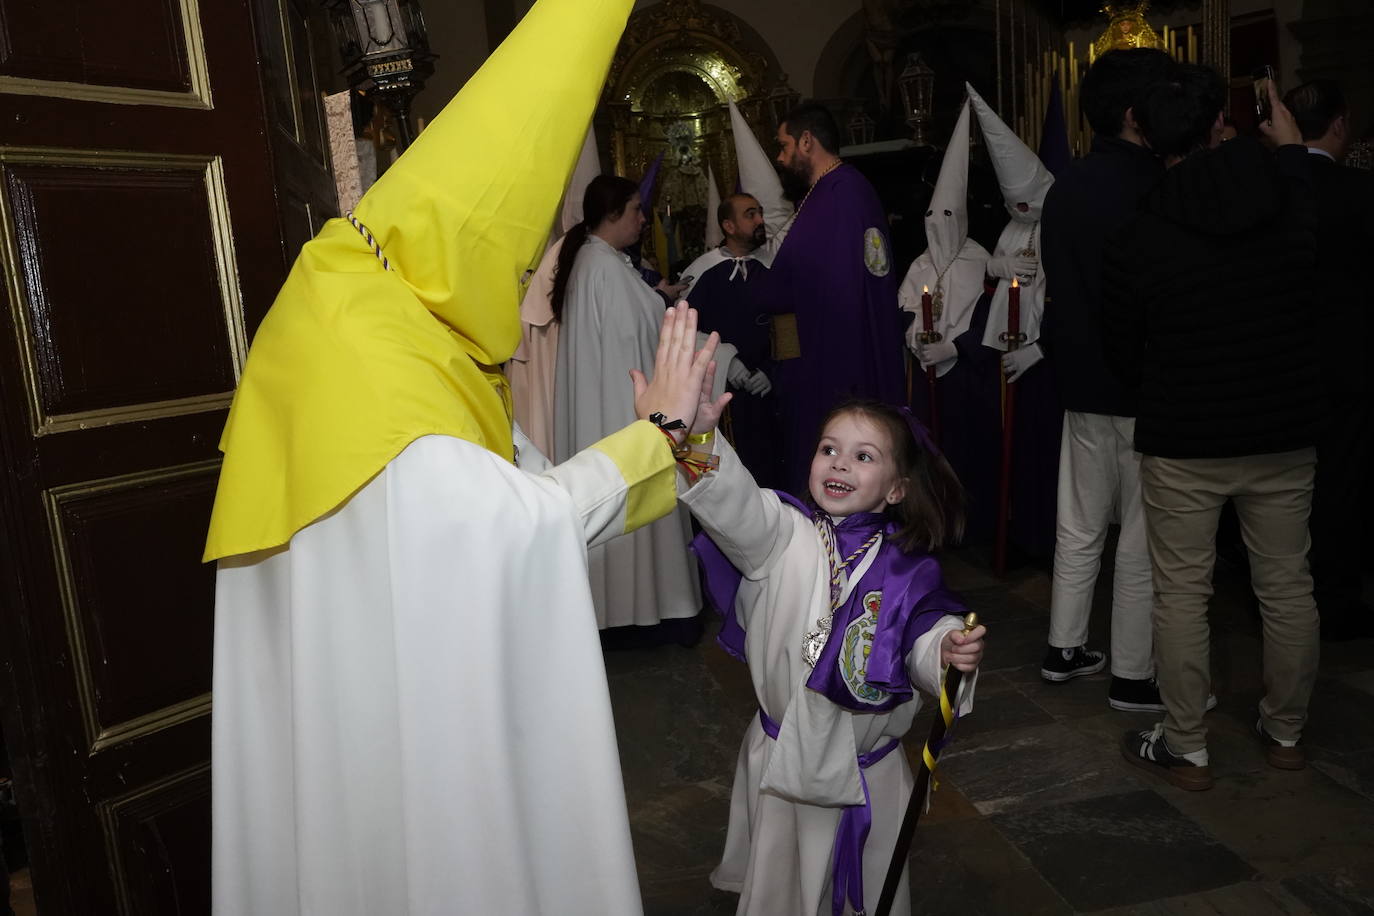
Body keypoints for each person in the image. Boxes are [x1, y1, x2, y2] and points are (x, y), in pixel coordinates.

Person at [204, 0, 726, 912]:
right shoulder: (377, 351)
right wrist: (661, 438)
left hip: (345, 708)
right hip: (404, 737)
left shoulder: (358, 300)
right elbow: (516, 529)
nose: (524, 291)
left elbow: (511, 478)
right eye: (518, 264)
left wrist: (667, 448)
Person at [1106, 69, 1322, 789]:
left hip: (1186, 432)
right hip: (1280, 424)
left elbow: (1125, 340)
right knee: (1286, 586)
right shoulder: (1283, 190)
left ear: (1144, 133)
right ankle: (1286, 731)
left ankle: (1188, 743)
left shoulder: (1142, 225)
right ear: (1218, 126)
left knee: (1182, 594)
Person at [688, 399, 985, 916]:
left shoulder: (907, 570)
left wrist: (945, 649)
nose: (840, 463)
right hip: (785, 764)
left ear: (896, 489)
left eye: (863, 456)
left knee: (867, 888)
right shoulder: (780, 535)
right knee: (778, 886)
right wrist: (701, 439)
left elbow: (921, 635)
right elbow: (735, 504)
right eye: (829, 449)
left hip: (865, 771)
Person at [1038, 48, 1173, 709]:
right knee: (1144, 535)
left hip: (1082, 380)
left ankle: (1064, 646)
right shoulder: (1157, 184)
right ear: (1134, 113)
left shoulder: (1066, 188)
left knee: (1081, 521)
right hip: (1146, 384)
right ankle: (1133, 672)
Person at [552, 174, 737, 639]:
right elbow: (629, 347)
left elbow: (634, 329)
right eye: (635, 209)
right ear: (611, 214)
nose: (642, 218)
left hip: (616, 409)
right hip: (622, 412)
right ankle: (645, 612)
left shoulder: (603, 262)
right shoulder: (601, 267)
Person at [763, 102, 907, 490]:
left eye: (784, 144)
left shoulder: (845, 194)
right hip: (808, 360)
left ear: (807, 141)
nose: (780, 156)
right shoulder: (823, 194)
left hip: (832, 365)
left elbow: (845, 295)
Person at [1283, 79, 1374, 641]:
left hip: (1281, 362)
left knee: (1284, 487)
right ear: (1339, 123)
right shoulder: (1361, 192)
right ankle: (1334, 597)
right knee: (1342, 481)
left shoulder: (1271, 188)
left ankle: (1284, 590)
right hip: (1349, 363)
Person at [966, 81, 1061, 560]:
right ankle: (1015, 532)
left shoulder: (1061, 225)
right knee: (1010, 446)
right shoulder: (1011, 226)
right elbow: (995, 274)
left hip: (1043, 354)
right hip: (1003, 346)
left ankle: (1043, 539)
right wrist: (995, 267)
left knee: (1043, 448)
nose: (1020, 210)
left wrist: (1039, 345)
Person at [897, 97, 994, 535]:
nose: (939, 223)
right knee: (925, 452)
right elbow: (902, 312)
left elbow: (993, 321)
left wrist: (953, 346)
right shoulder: (919, 264)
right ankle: (931, 523)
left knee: (967, 449)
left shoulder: (980, 260)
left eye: (948, 215)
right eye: (932, 216)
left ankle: (970, 526)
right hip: (924, 379)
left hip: (965, 378)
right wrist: (916, 340)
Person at [682, 193, 780, 485]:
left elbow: (790, 327)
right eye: (750, 214)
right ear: (728, 225)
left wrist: (772, 370)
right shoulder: (701, 271)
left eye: (760, 212)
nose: (760, 220)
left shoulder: (776, 267)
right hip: (721, 402)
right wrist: (727, 361)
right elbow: (685, 332)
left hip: (770, 398)